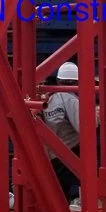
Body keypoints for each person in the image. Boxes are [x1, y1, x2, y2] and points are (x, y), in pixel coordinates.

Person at [41, 62, 92, 202]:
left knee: (58, 192)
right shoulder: (71, 99)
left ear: (58, 80)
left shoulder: (49, 97)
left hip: (51, 154)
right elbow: (84, 128)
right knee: (91, 175)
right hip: (68, 153)